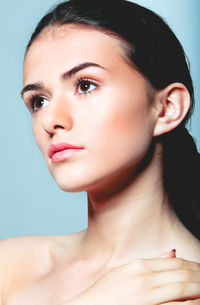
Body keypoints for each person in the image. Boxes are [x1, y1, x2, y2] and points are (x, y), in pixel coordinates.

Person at [0, 0, 200, 304]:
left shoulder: (189, 288)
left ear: (167, 109)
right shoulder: (10, 265)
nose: (52, 120)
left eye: (86, 85)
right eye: (38, 101)